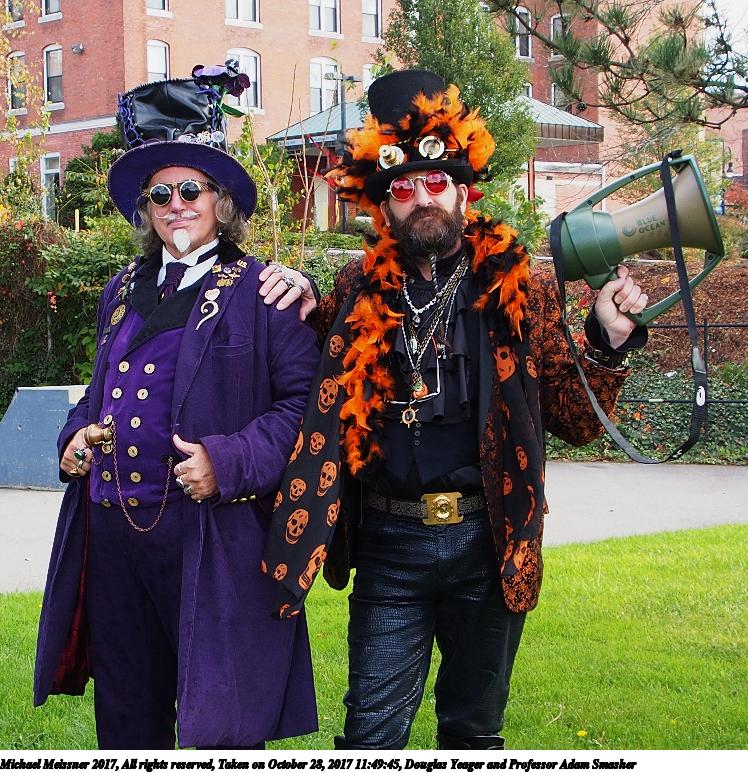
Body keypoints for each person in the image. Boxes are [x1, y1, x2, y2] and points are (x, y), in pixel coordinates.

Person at [260, 69, 649, 750]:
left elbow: (577, 420)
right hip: (388, 543)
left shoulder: (522, 288)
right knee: (370, 736)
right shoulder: (355, 288)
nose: (422, 199)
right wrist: (298, 291)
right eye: (402, 189)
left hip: (487, 540)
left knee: (473, 733)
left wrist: (606, 341)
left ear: (464, 191)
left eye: (435, 182)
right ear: (383, 208)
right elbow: (315, 378)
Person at [33, 69, 321, 750]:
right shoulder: (120, 290)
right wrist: (74, 437)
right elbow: (98, 391)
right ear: (146, 208)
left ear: (221, 201)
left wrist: (227, 462)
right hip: (114, 539)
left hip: (210, 540)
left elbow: (303, 410)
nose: (176, 205)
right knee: (126, 722)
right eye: (160, 194)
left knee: (220, 727)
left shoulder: (265, 291)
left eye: (191, 190)